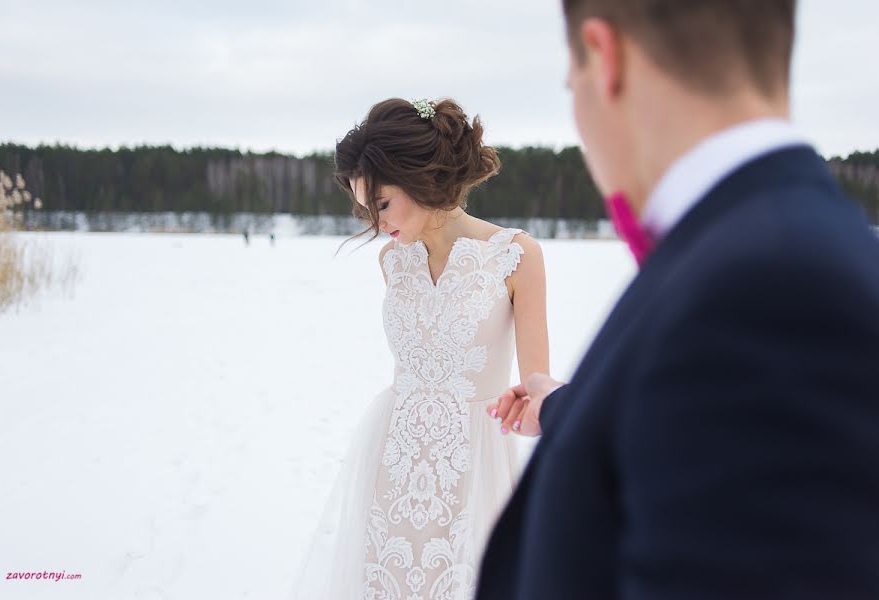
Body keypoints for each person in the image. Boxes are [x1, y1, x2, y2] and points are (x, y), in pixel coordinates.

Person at [478, 1, 879, 598]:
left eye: (572, 85)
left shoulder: (769, 289)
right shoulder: (757, 249)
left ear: (605, 57)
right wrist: (566, 406)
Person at [290, 98, 549, 599]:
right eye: (365, 207)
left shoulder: (516, 256)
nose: (375, 220)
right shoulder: (393, 261)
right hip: (394, 456)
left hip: (475, 461)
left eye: (382, 203)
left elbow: (537, 390)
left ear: (420, 178)